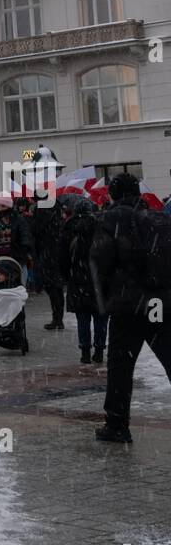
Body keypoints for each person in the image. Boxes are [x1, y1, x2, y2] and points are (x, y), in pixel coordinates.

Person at [91, 173, 171, 443]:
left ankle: (117, 424)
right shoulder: (159, 218)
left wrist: (107, 298)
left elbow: (101, 262)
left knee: (121, 368)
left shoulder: (110, 219)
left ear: (113, 194)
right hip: (159, 303)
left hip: (127, 306)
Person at [59, 197, 107, 365]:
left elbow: (63, 257)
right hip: (99, 279)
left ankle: (85, 351)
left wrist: (66, 276)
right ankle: (100, 350)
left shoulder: (68, 226)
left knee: (83, 318)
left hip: (77, 279)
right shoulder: (101, 225)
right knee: (101, 317)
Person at [31, 193, 66, 331]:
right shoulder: (56, 207)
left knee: (52, 288)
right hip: (57, 251)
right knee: (56, 287)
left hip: (47, 252)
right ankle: (59, 318)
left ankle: (56, 318)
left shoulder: (42, 210)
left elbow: (36, 230)